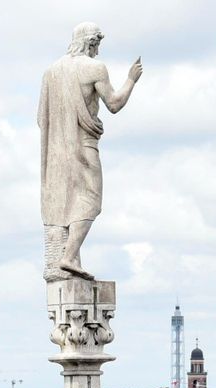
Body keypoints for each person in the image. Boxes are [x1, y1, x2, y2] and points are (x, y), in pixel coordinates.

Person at [38, 22, 142, 280]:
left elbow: (41, 117)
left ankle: (68, 258)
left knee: (65, 202)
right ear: (91, 42)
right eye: (97, 43)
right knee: (91, 201)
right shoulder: (95, 68)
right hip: (85, 146)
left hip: (57, 149)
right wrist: (131, 79)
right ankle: (69, 256)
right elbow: (115, 104)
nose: (98, 48)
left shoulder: (51, 72)